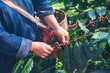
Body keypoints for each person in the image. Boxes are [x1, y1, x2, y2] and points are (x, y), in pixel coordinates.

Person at [0, 0, 69, 73]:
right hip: (7, 61)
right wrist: (31, 46)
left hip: (34, 53)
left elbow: (41, 3)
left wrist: (56, 27)